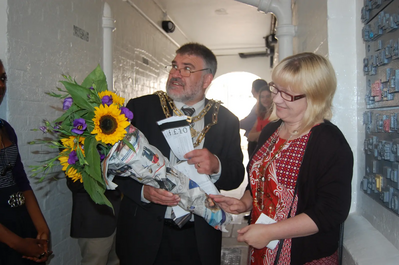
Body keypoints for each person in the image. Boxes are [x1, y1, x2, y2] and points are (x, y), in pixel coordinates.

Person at [210, 52, 353, 264]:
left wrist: (271, 232)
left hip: (304, 255)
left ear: (315, 95)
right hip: (264, 249)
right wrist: (244, 203)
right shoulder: (271, 130)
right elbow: (260, 182)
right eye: (275, 88)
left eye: (287, 94)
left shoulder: (329, 142)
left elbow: (331, 211)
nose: (276, 98)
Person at [114, 43, 244, 265]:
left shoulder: (226, 120)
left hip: (199, 234)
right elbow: (114, 167)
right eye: (174, 66)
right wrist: (143, 191)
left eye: (187, 68)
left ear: (206, 80)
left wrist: (216, 165)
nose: (175, 73)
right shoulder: (141, 108)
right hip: (144, 232)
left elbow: (236, 176)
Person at [0, 59, 52, 264]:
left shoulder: (6, 128)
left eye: (3, 78)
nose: (1, 85)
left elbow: (21, 181)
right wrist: (19, 244)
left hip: (22, 222)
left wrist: (42, 229)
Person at [66, 177, 121, 265]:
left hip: (120, 216)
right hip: (95, 220)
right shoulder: (74, 163)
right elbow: (76, 185)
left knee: (116, 261)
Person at [240, 79, 269, 158]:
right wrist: (259, 135)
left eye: (268, 96)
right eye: (262, 97)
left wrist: (234, 123)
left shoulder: (275, 115)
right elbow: (250, 136)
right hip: (255, 147)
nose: (265, 99)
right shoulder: (260, 113)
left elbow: (269, 135)